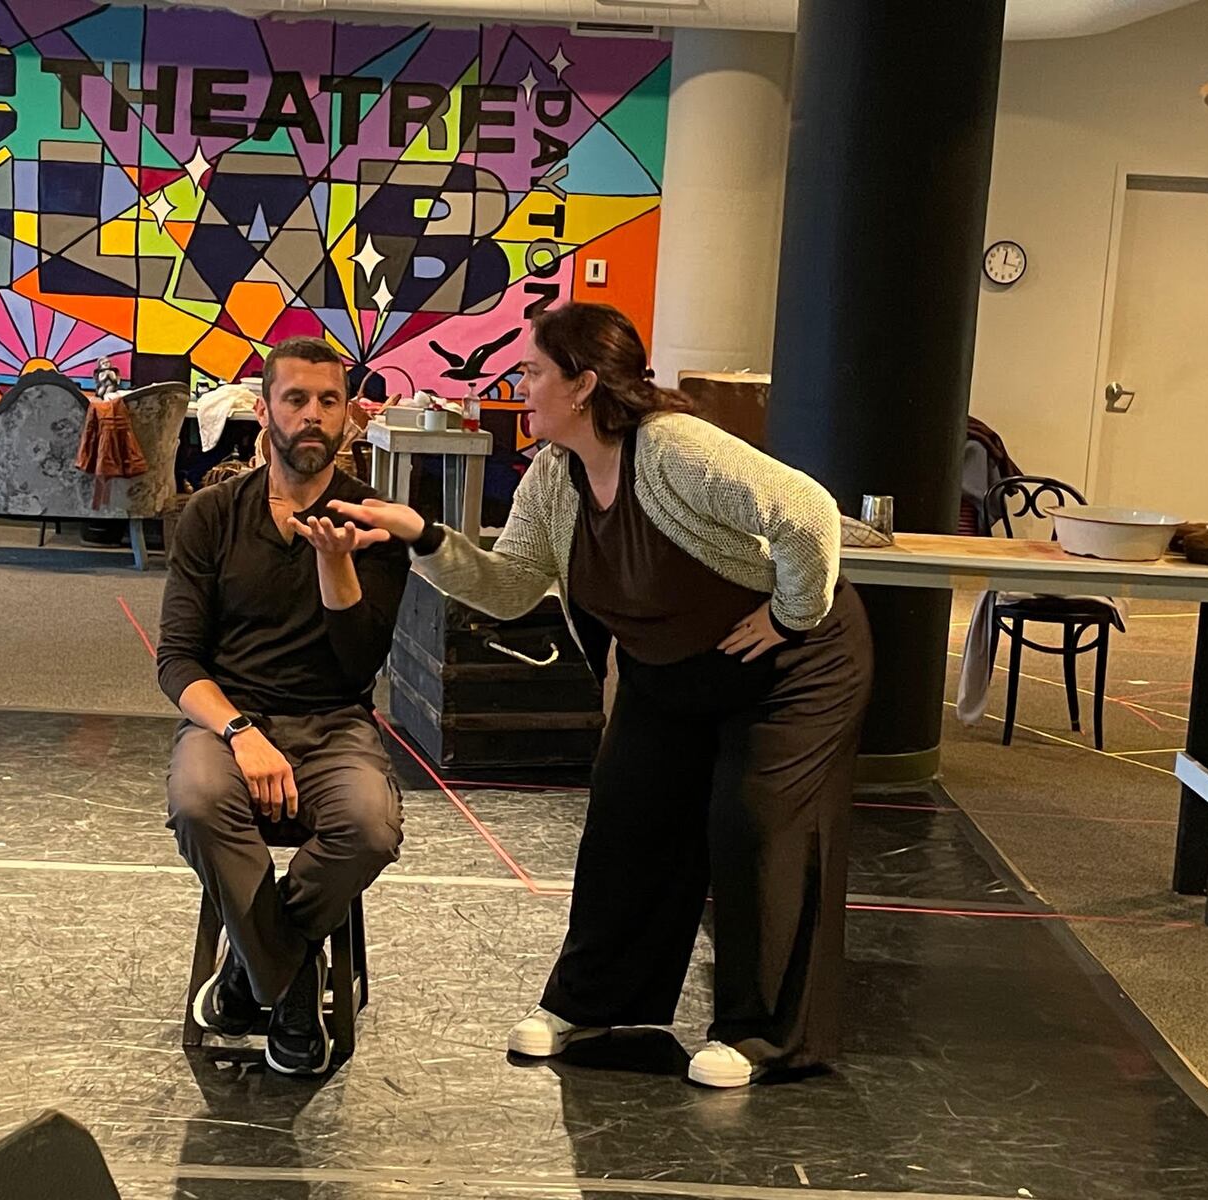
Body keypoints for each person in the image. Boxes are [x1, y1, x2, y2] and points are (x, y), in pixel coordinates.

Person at [328, 303, 873, 1088]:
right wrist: (422, 536)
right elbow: (512, 587)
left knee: (755, 823)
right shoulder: (555, 477)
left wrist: (790, 617)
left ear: (583, 384)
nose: (522, 384)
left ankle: (763, 1035)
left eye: (534, 370)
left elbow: (808, 514)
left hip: (796, 665)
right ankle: (597, 1004)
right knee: (626, 823)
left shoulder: (673, 448)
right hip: (675, 667)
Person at [159, 336, 411, 1076]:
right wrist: (240, 732)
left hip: (335, 721)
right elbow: (177, 660)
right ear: (263, 410)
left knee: (369, 826)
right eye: (295, 399)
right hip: (230, 718)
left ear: (349, 417)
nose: (312, 415)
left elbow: (360, 665)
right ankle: (294, 983)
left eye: (327, 401)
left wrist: (337, 563)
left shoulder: (376, 523)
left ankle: (247, 973)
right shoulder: (213, 514)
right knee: (200, 801)